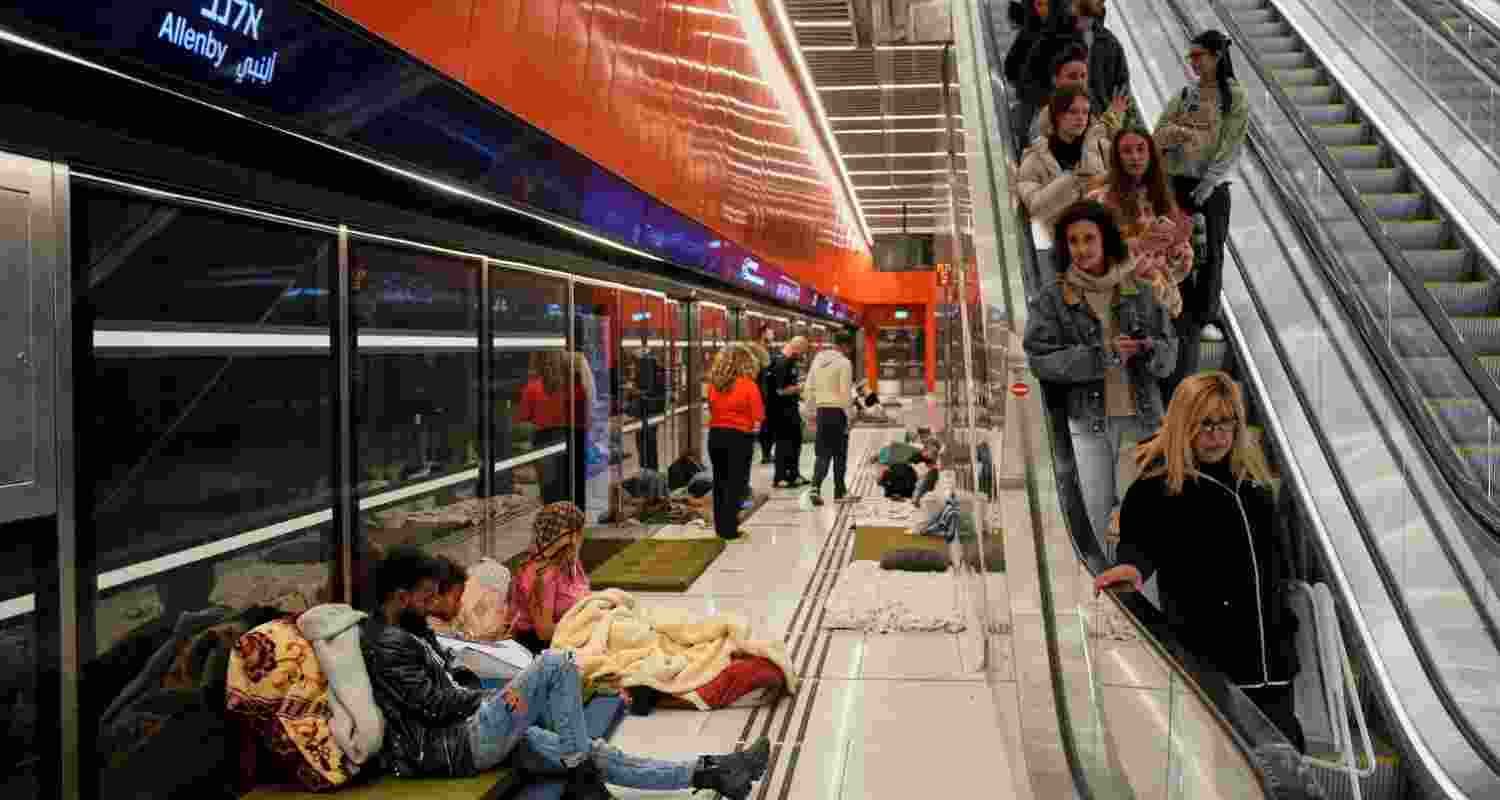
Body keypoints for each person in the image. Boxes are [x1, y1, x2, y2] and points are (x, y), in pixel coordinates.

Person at [361, 547, 771, 798]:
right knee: (556, 663)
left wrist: (496, 697)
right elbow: (435, 705)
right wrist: (496, 699)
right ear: (401, 596)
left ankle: (714, 771)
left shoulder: (409, 630)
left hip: (467, 732)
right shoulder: (389, 643)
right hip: (458, 745)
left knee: (596, 753)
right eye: (426, 596)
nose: (432, 604)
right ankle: (581, 773)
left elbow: (449, 682)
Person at [1094, 372, 1304, 752]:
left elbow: (1277, 568)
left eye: (1226, 423)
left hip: (1273, 669)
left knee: (1285, 761)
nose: (1217, 435)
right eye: (1205, 424)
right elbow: (1140, 547)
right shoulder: (1159, 490)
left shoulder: (1255, 488)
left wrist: (1287, 627)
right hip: (1210, 668)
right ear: (1184, 425)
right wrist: (1131, 568)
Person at [1023, 200, 1178, 558]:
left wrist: (1149, 349)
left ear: (1106, 239)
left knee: (1142, 521)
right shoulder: (1052, 300)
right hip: (1087, 425)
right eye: (1073, 241)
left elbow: (1169, 357)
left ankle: (1139, 583)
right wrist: (1101, 356)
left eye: (1089, 238)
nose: (1081, 249)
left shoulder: (1140, 291)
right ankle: (1116, 585)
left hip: (1143, 422)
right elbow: (1041, 360)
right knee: (1098, 521)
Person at [1155, 29, 1248, 371]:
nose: (1192, 62)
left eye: (1198, 56)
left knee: (1212, 250)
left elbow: (1232, 144)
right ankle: (1174, 301)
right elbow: (1158, 133)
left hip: (1213, 188)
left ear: (1216, 56)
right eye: (1190, 56)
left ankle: (1205, 312)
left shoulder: (1234, 96)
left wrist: (1209, 182)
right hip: (1178, 182)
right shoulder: (1186, 94)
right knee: (1173, 243)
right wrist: (1177, 133)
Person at [1087, 127, 1194, 319]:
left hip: (1159, 303)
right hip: (1120, 305)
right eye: (1127, 151)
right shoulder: (1101, 200)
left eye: (1141, 149)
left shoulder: (1162, 198)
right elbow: (1095, 258)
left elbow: (1175, 268)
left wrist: (1176, 252)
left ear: (1151, 154)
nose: (1135, 157)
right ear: (1117, 158)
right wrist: (1140, 247)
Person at [1016, 87, 1109, 280]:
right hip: (1061, 257)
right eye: (1073, 111)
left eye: (1085, 112)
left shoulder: (1100, 150)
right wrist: (1073, 179)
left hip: (1102, 254)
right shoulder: (1035, 159)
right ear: (1057, 116)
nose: (1080, 118)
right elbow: (1036, 208)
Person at [505, 502, 593, 654]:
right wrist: (585, 627)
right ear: (570, 536)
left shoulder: (571, 563)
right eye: (579, 533)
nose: (581, 538)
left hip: (566, 639)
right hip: (538, 649)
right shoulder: (542, 574)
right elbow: (544, 632)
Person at [706, 345, 765, 540]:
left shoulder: (714, 385)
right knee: (737, 483)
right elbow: (758, 414)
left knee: (720, 482)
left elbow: (712, 408)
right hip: (739, 437)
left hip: (716, 436)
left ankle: (721, 527)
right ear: (745, 363)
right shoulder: (748, 385)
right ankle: (731, 528)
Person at [519, 351, 589, 511]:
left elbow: (523, 421)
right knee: (566, 489)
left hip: (549, 440)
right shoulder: (571, 387)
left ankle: (561, 520)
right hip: (563, 438)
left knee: (554, 493)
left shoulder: (533, 388)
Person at [1025, 43, 1130, 145]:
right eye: (1072, 76)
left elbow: (1106, 147)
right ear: (1055, 80)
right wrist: (1111, 118)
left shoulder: (1088, 111)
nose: (1080, 82)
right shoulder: (1048, 116)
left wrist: (1115, 118)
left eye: (1083, 76)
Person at [804, 331, 858, 506]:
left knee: (823, 453)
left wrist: (810, 413)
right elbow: (845, 393)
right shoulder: (844, 363)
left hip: (822, 412)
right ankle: (840, 491)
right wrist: (850, 416)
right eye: (850, 348)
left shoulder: (818, 359)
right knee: (840, 454)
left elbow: (809, 387)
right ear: (845, 346)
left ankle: (815, 488)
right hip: (838, 413)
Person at [1005, 0, 1051, 147]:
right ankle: (1024, 140)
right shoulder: (1032, 31)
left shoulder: (1033, 31)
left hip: (1037, 86)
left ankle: (1024, 140)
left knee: (1029, 115)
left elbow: (1013, 61)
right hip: (1034, 86)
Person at [766, 336, 810, 488]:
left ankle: (793, 474)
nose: (802, 356)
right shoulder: (780, 363)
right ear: (796, 348)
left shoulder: (790, 362)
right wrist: (800, 387)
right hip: (781, 411)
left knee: (795, 441)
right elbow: (780, 391)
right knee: (783, 444)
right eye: (802, 352)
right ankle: (780, 477)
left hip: (791, 409)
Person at [757, 330, 778, 465]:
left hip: (767, 396)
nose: (769, 343)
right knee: (767, 426)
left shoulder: (768, 353)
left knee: (768, 426)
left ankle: (767, 453)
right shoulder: (759, 354)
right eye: (767, 340)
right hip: (763, 397)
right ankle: (766, 454)